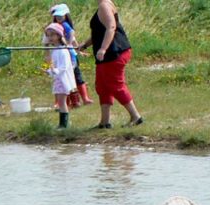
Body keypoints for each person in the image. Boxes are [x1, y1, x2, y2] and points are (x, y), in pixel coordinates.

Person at [77, 0, 142, 128]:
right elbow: (98, 33)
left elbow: (111, 27)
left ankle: (136, 117)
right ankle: (104, 122)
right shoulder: (104, 4)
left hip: (114, 52)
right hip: (108, 54)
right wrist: (84, 45)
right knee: (102, 86)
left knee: (115, 85)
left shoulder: (104, 5)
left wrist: (103, 49)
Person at [50, 3, 93, 108]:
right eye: (57, 16)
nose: (59, 18)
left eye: (61, 16)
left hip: (71, 56)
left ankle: (83, 98)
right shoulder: (55, 27)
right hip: (61, 56)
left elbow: (72, 37)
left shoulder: (65, 25)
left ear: (66, 16)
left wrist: (76, 49)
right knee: (62, 78)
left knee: (75, 77)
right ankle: (66, 101)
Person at [44, 23, 75, 129]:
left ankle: (64, 124)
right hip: (58, 79)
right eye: (48, 35)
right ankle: (63, 123)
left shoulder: (62, 50)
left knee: (62, 102)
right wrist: (49, 71)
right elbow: (54, 66)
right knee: (60, 102)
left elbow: (64, 68)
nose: (50, 38)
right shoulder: (55, 50)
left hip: (63, 80)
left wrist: (54, 71)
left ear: (59, 36)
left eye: (52, 35)